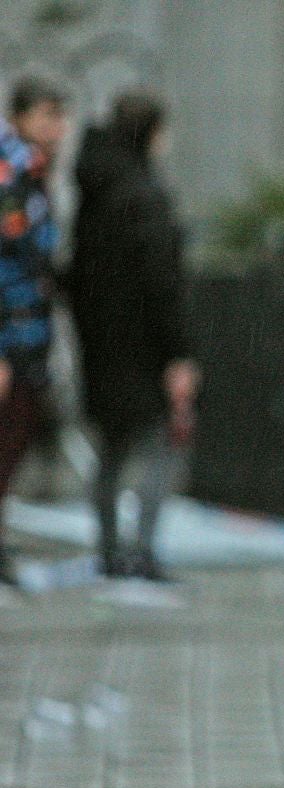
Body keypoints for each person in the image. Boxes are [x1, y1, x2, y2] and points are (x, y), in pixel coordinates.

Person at [67, 90, 198, 580]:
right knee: (162, 443)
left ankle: (108, 548)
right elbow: (162, 281)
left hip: (101, 342)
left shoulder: (94, 185)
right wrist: (179, 353)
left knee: (112, 448)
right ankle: (141, 548)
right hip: (143, 347)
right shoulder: (143, 193)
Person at [0, 76, 66, 588]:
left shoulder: (34, 170)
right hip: (12, 332)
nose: (56, 128)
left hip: (31, 328)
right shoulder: (11, 171)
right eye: (46, 115)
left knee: (20, 432)